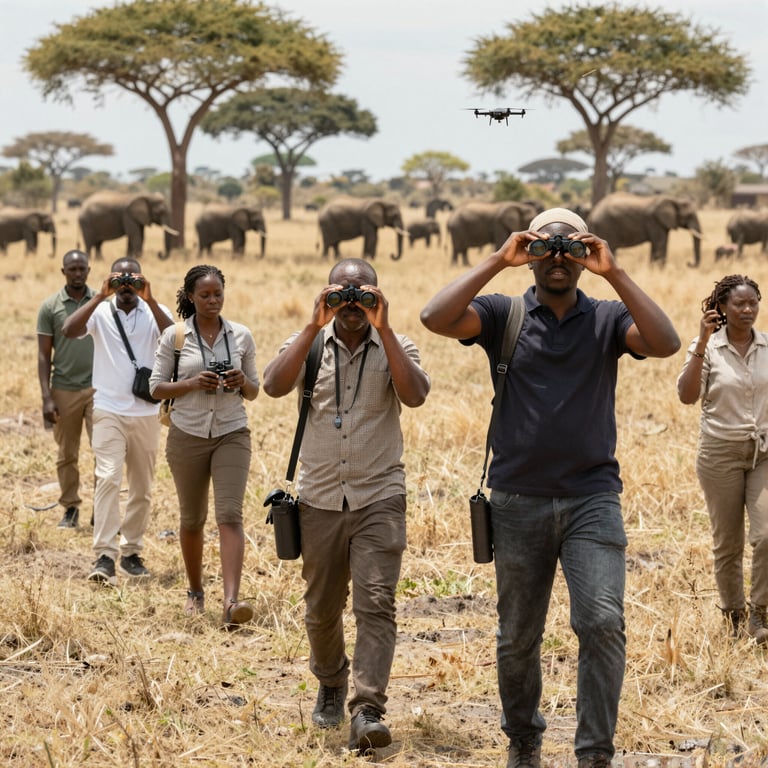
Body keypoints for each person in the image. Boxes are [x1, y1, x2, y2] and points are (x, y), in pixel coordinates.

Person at [420, 208, 680, 768]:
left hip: (592, 498)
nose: (558, 260)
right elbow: (434, 318)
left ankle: (593, 755)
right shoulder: (502, 313)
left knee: (603, 622)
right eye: (546, 248)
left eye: (570, 249)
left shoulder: (609, 318)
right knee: (517, 637)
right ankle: (524, 740)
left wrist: (614, 272)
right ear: (530, 253)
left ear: (584, 255)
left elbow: (665, 343)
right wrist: (499, 258)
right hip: (517, 499)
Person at [262, 258, 430, 752]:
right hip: (319, 497)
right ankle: (331, 681)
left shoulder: (396, 345)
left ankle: (368, 708)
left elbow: (416, 395)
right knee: (320, 609)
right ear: (327, 296)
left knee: (376, 602)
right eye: (343, 294)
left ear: (377, 296)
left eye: (364, 295)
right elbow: (272, 385)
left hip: (379, 493)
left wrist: (388, 329)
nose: (353, 305)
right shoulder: (311, 344)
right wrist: (312, 324)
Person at [149, 265, 259, 628]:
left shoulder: (240, 335)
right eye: (205, 295)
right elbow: (156, 388)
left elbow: (255, 391)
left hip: (231, 432)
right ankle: (195, 591)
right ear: (190, 297)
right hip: (187, 434)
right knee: (192, 519)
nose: (213, 301)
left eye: (218, 294)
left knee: (230, 515)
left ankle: (231, 603)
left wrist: (241, 380)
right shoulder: (174, 337)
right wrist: (193, 383)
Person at [63, 257, 173, 585]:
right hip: (108, 408)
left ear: (142, 280)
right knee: (108, 477)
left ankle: (131, 552)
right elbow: (69, 331)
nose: (126, 287)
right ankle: (105, 555)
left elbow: (174, 339)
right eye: (120, 280)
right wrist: (99, 295)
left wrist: (150, 299)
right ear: (110, 280)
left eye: (133, 280)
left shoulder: (155, 310)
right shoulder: (99, 311)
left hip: (146, 413)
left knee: (142, 486)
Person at [677, 274, 768, 643]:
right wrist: (701, 340)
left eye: (753, 303)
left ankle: (760, 615)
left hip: (763, 452)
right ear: (723, 309)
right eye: (739, 304)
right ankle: (733, 615)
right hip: (720, 454)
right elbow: (686, 395)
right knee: (727, 543)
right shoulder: (709, 348)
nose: (748, 310)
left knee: (766, 536)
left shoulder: (767, 347)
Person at [36, 249, 95, 528]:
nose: (77, 273)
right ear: (63, 272)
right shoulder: (50, 307)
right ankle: (70, 508)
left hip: (100, 390)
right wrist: (46, 397)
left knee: (105, 453)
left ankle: (103, 510)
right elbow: (44, 355)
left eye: (81, 268)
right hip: (64, 390)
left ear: (88, 270)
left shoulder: (100, 303)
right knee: (67, 454)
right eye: (72, 269)